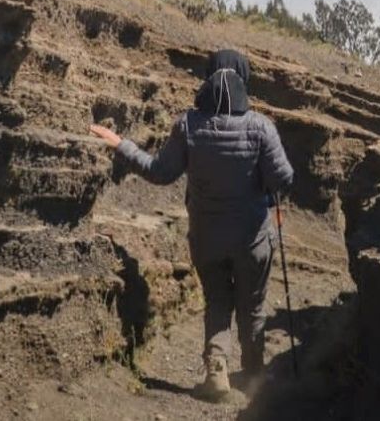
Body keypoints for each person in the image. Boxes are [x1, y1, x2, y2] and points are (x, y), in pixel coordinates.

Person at [89, 49, 294, 403]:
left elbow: (159, 173)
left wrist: (121, 144)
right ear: (244, 80)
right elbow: (284, 179)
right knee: (253, 304)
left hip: (207, 237)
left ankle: (216, 372)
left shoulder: (189, 125)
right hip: (253, 239)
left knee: (217, 300)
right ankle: (253, 374)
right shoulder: (261, 127)